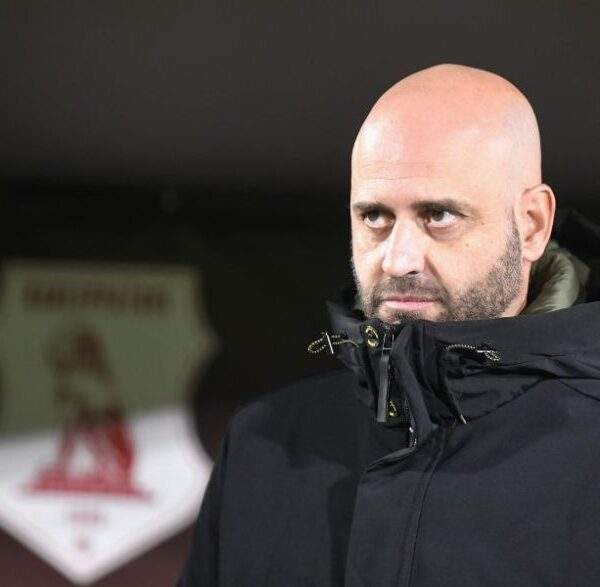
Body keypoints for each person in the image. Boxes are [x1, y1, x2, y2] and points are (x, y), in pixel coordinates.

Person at [179, 64, 600, 586]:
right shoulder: (262, 444)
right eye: (375, 216)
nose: (398, 260)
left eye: (439, 216)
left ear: (532, 225)